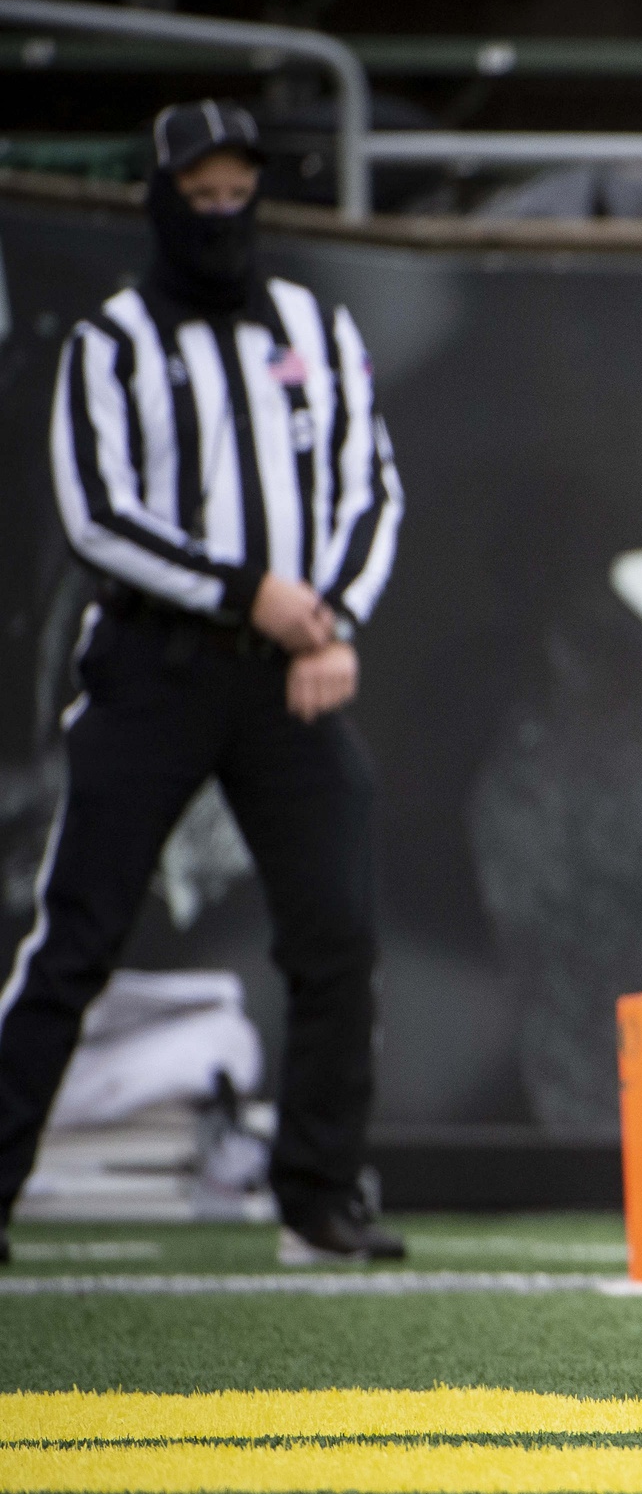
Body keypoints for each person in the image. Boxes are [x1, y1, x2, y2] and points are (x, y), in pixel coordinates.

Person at [2, 100, 406, 1266]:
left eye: (242, 194)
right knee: (77, 933)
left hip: (293, 675)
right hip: (155, 670)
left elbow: (370, 484)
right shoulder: (113, 342)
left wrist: (329, 620)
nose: (224, 215)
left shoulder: (314, 329)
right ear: (164, 198)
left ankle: (320, 1196)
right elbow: (97, 514)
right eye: (204, 195)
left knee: (336, 935)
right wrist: (246, 591)